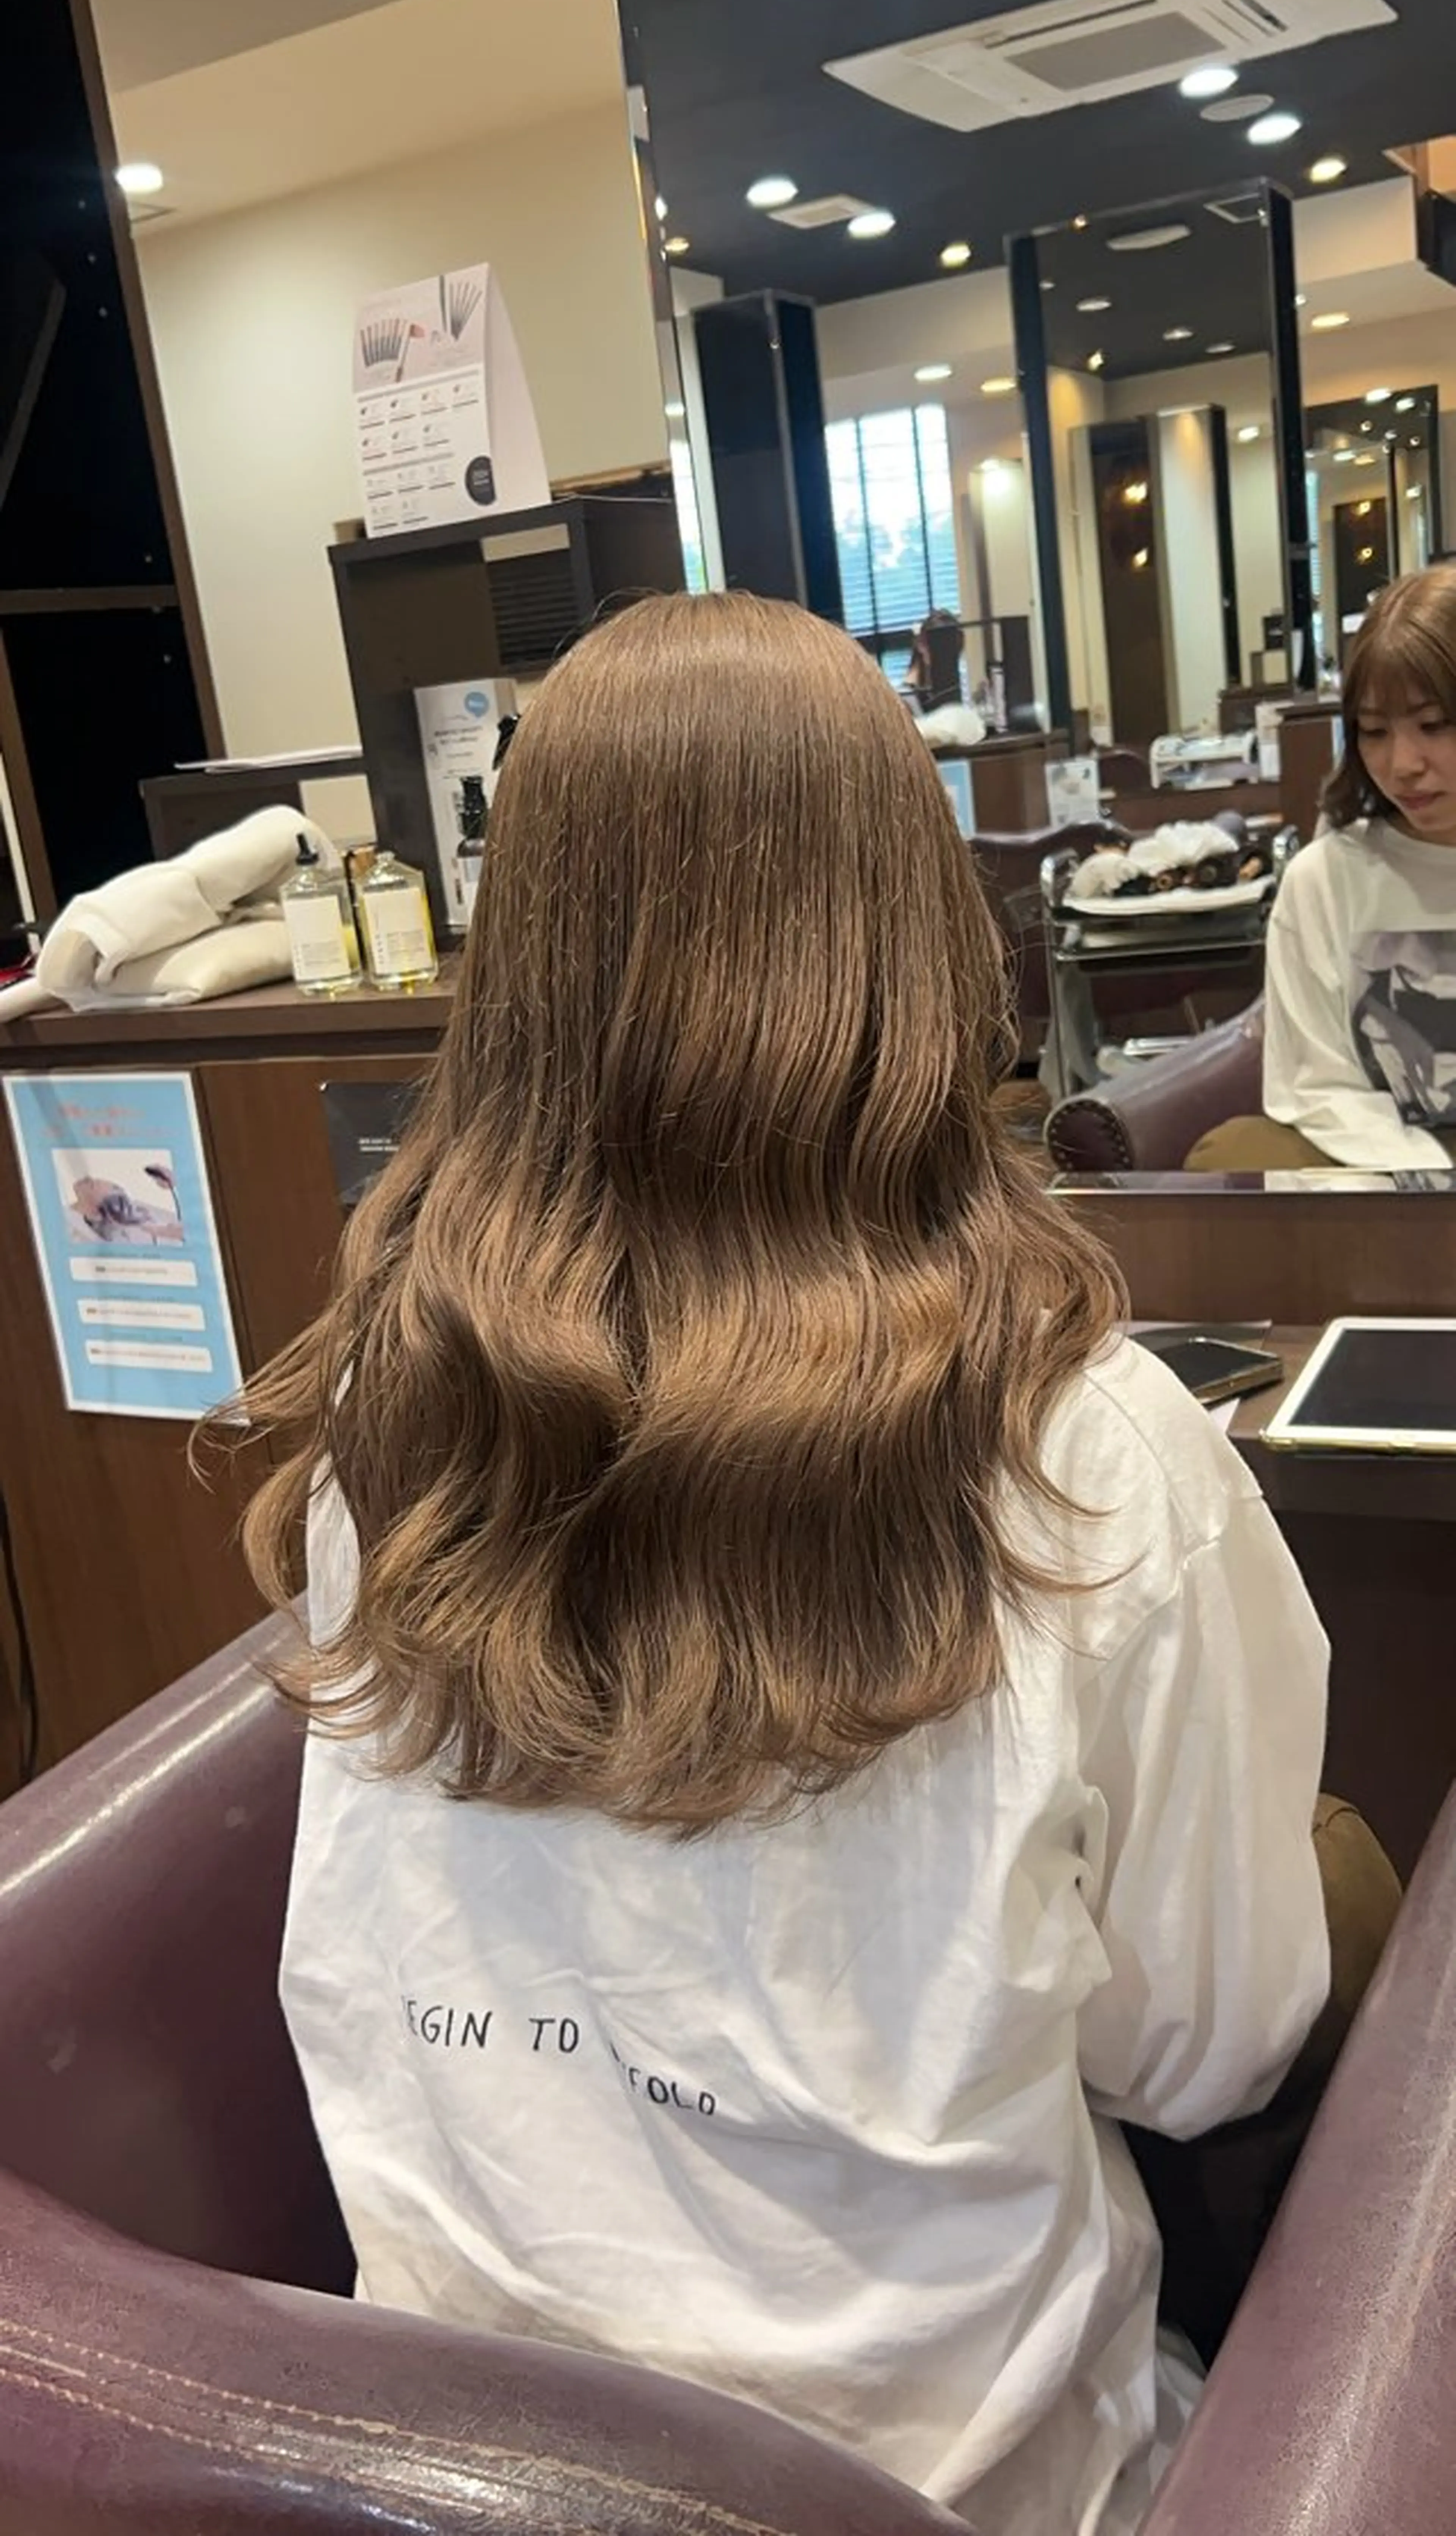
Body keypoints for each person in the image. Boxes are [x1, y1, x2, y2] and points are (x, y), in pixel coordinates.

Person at [240, 593, 1328, 2536]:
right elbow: (1203, 2048)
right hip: (950, 2492)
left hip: (428, 2481)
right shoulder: (1089, 1462)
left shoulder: (393, 1430)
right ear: (918, 944)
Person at [1199, 567, 1456, 1171]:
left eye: (1434, 725)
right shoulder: (1326, 880)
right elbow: (1316, 1087)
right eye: (1373, 732)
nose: (1402, 764)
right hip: (1386, 1177)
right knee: (1233, 1152)